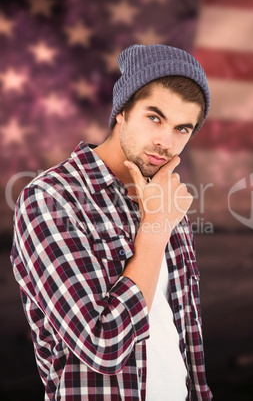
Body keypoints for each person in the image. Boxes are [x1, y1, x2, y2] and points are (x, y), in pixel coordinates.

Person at [11, 44, 213, 400]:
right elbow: (102, 346)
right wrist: (154, 229)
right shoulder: (51, 199)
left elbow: (182, 333)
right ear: (121, 112)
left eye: (183, 128)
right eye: (155, 117)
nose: (166, 141)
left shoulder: (166, 196)